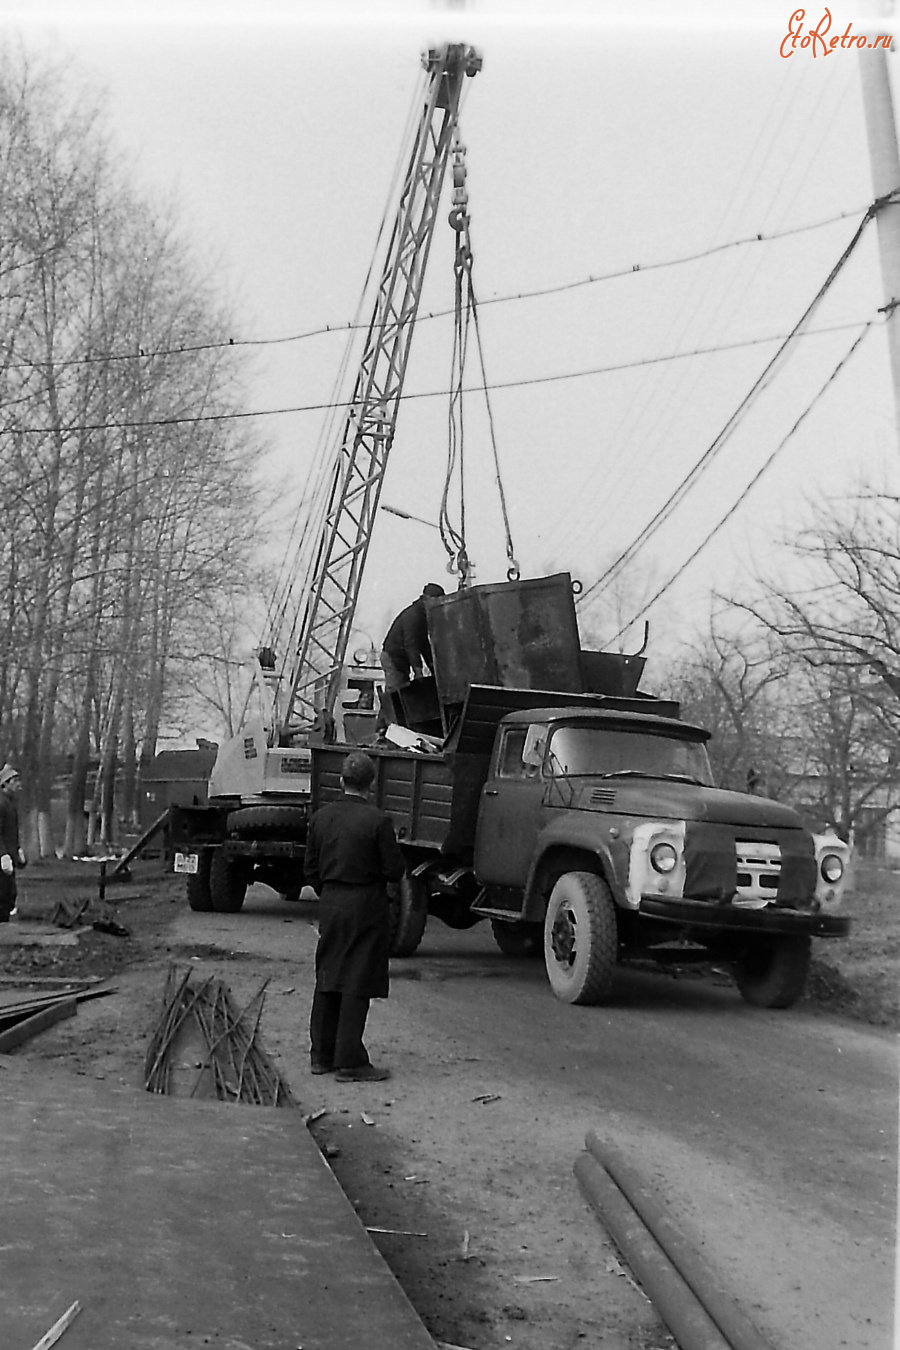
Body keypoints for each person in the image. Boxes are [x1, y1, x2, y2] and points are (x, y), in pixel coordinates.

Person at [304, 750, 405, 1082]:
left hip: (331, 902)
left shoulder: (320, 818)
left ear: (341, 780)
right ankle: (350, 1061)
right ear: (371, 784)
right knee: (357, 979)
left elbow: (310, 870)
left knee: (329, 975)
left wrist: (330, 890)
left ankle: (321, 1056)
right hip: (366, 904)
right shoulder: (378, 821)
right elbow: (394, 870)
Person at [378, 583, 445, 730]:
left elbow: (423, 645)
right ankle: (383, 730)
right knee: (395, 694)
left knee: (398, 693)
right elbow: (411, 644)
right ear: (427, 598)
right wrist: (418, 671)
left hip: (399, 658)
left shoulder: (422, 615)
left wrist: (434, 666)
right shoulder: (414, 616)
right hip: (393, 657)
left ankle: (389, 728)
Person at [0, 764, 26, 922]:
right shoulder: (1, 803)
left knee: (9, 894)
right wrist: (2, 855)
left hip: (9, 857)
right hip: (2, 859)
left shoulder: (10, 803)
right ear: (5, 783)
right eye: (14, 781)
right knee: (2, 895)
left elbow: (11, 833)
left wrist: (17, 851)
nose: (18, 784)